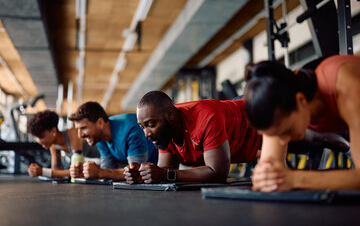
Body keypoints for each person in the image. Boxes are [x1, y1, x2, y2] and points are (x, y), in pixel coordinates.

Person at [244, 55, 360, 191]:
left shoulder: (347, 87)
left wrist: (294, 179)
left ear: (301, 100)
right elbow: (272, 175)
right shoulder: (278, 105)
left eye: (286, 131)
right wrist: (264, 177)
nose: (283, 141)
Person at [124, 90, 262, 184]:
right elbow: (165, 168)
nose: (146, 133)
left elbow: (218, 174)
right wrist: (143, 176)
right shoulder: (165, 130)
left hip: (259, 116)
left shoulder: (206, 117)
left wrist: (166, 175)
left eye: (151, 124)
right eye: (143, 127)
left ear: (170, 115)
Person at [68, 101, 158, 181]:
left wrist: (99, 172)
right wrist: (85, 172)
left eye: (83, 128)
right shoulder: (99, 138)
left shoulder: (131, 127)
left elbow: (136, 173)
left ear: (100, 123)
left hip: (158, 177)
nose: (80, 135)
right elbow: (107, 170)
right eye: (78, 129)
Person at [27, 110, 98, 178]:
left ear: (53, 131)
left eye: (41, 136)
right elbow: (57, 171)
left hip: (106, 157)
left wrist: (43, 172)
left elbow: (77, 172)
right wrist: (37, 171)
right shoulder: (53, 146)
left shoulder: (73, 134)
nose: (39, 141)